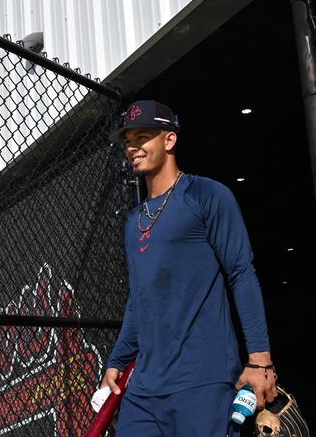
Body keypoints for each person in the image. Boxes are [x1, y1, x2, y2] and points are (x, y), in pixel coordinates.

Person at [101, 100, 276, 436]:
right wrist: (117, 360)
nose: (132, 147)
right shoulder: (133, 221)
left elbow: (241, 273)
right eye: (127, 140)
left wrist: (260, 361)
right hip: (144, 388)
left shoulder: (206, 195)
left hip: (202, 380)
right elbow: (138, 299)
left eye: (143, 136)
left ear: (169, 140)